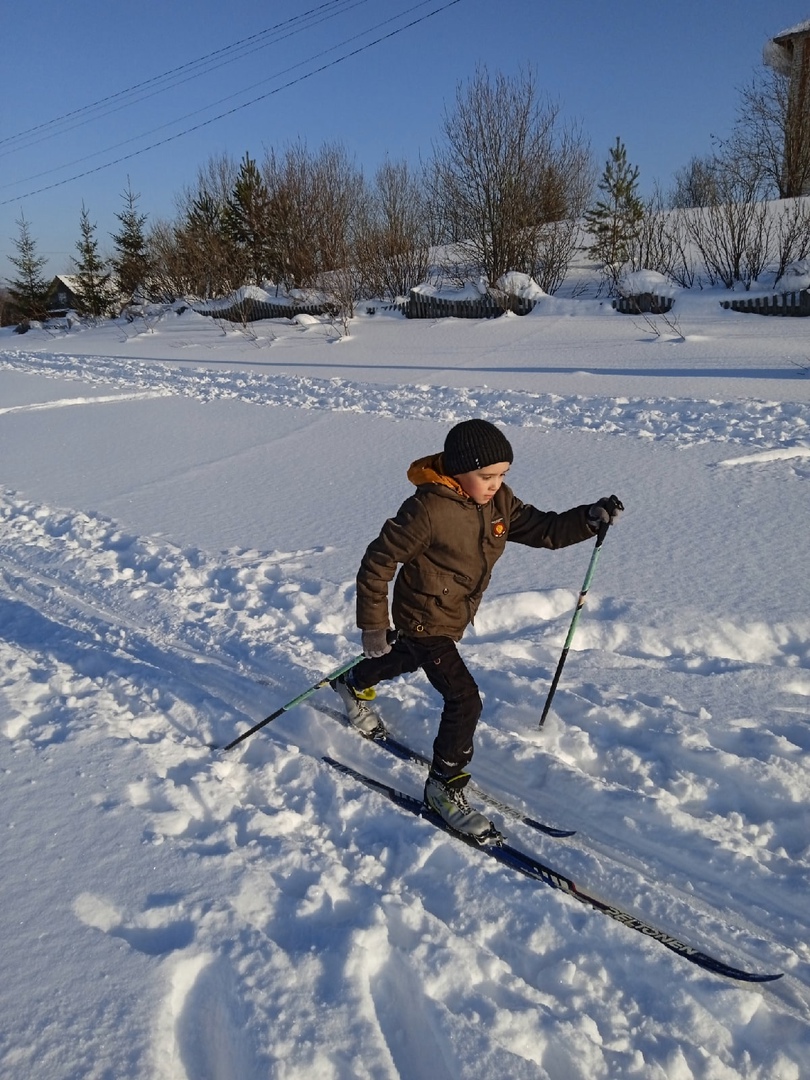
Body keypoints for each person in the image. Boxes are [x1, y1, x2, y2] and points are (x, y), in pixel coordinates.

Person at [331, 418, 622, 841]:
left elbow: (543, 529)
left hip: (450, 614)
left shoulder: (497, 501)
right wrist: (374, 625)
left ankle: (353, 681)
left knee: (408, 656)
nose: (495, 483)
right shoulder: (427, 510)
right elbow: (378, 562)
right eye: (486, 476)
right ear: (457, 470)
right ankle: (443, 788)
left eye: (502, 474)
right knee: (464, 698)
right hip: (424, 615)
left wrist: (588, 519)